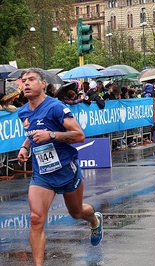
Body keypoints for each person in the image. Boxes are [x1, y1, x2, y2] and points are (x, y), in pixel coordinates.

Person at [17, 69, 104, 266]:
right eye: (24, 81)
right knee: (36, 218)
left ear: (42, 84)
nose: (26, 84)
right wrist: (25, 146)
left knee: (76, 213)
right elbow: (32, 133)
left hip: (66, 169)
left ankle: (94, 220)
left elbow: (79, 135)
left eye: (31, 80)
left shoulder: (55, 107)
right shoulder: (23, 111)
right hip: (43, 174)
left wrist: (52, 135)